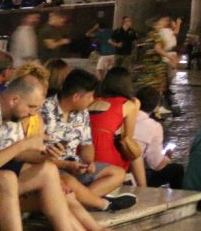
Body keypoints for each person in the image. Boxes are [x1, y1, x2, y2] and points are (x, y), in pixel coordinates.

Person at [0, 73, 100, 231]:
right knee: (6, 179)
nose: (33, 113)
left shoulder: (14, 114)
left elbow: (18, 156)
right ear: (14, 99)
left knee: (48, 170)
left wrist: (45, 155)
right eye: (31, 107)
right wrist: (22, 145)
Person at [39, 69, 136, 213]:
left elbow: (87, 144)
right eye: (90, 96)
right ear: (76, 97)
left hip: (75, 165)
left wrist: (88, 162)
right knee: (69, 181)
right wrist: (66, 165)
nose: (92, 100)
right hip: (52, 168)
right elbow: (37, 155)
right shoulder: (43, 110)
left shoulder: (82, 112)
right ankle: (101, 203)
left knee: (118, 174)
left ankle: (78, 202)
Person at [87, 68, 146, 188]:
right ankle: (144, 188)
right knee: (134, 153)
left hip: (83, 149)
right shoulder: (129, 103)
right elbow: (127, 137)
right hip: (104, 153)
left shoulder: (91, 99)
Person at [131, 87, 183, 188]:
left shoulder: (126, 117)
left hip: (120, 167)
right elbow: (157, 164)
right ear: (156, 106)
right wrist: (167, 157)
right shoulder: (154, 126)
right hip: (137, 174)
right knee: (177, 169)